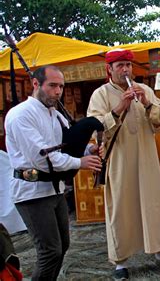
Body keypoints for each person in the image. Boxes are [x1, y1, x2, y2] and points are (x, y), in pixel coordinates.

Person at [87, 49, 160, 280]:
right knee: (121, 208)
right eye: (120, 65)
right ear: (109, 69)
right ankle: (120, 261)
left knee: (153, 205)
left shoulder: (145, 89)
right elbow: (94, 127)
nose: (125, 69)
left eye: (128, 65)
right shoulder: (100, 94)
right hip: (119, 162)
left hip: (147, 159)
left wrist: (147, 103)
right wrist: (121, 106)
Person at [4, 65, 103, 280]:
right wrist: (80, 162)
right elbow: (41, 158)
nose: (58, 92)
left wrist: (88, 149)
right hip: (32, 191)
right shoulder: (21, 115)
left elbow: (63, 146)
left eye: (61, 86)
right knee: (49, 251)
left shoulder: (55, 115)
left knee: (62, 246)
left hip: (55, 189)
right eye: (52, 86)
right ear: (36, 84)